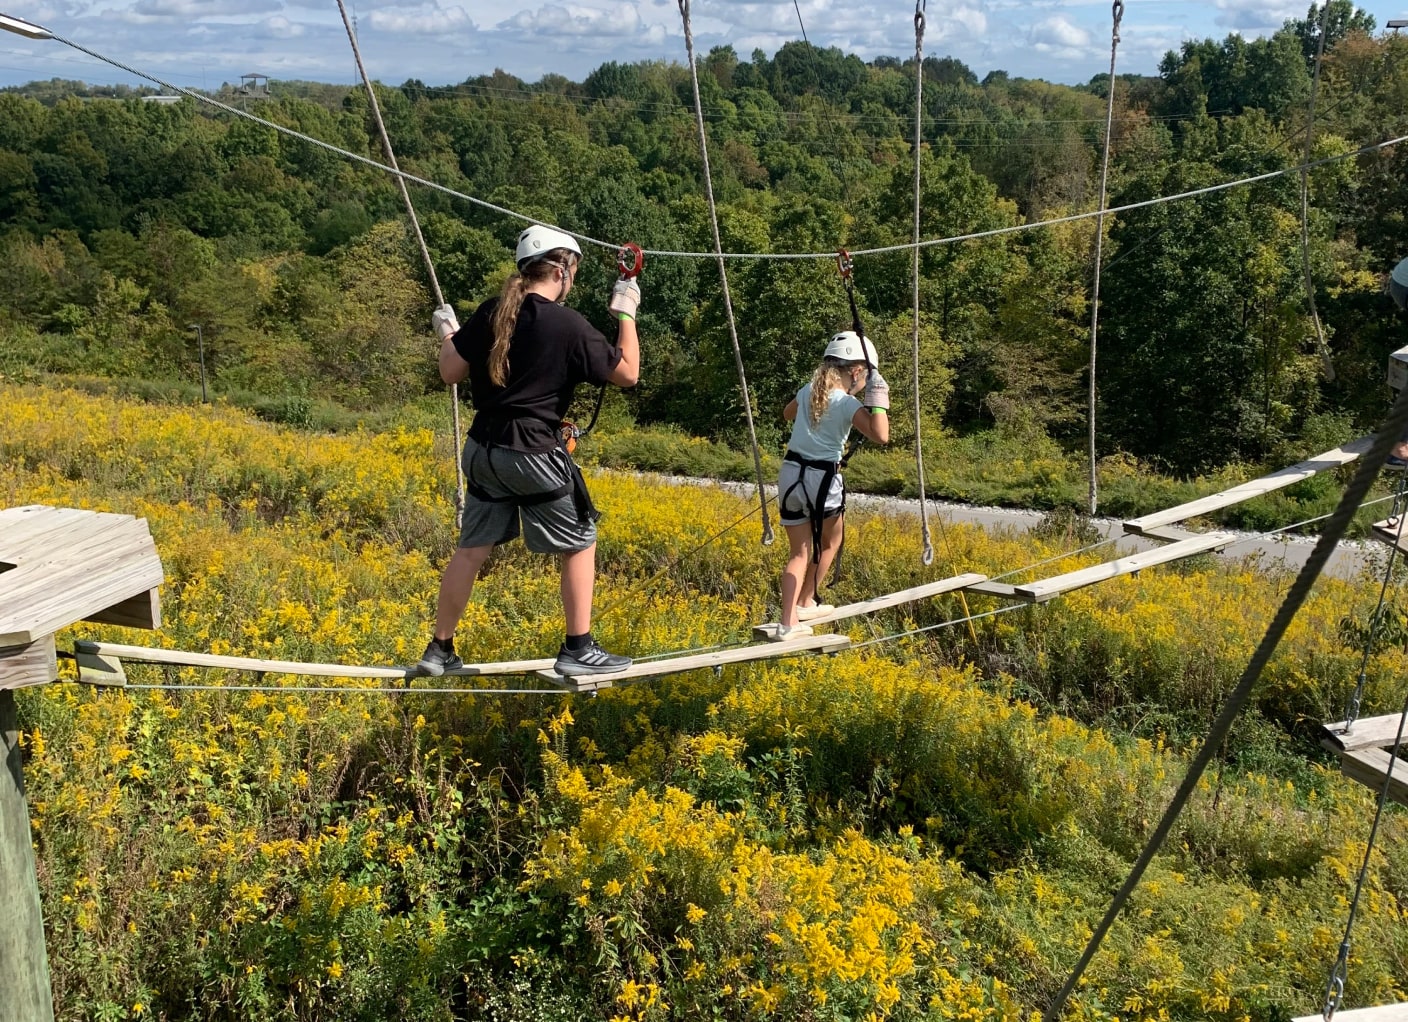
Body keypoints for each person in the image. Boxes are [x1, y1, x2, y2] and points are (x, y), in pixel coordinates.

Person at [415, 225, 641, 678]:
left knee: (472, 548)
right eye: (572, 272)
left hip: (482, 449)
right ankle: (578, 647)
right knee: (580, 541)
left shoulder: (493, 313)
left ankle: (439, 649)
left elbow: (449, 372)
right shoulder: (569, 325)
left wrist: (450, 334)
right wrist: (627, 313)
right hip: (532, 449)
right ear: (561, 270)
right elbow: (628, 374)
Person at [771, 331, 890, 641]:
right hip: (822, 478)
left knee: (799, 551)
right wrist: (877, 399)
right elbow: (881, 435)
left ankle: (797, 610)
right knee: (830, 542)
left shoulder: (809, 391)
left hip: (791, 473)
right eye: (867, 377)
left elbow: (787, 414)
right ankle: (796, 612)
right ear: (857, 371)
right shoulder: (846, 403)